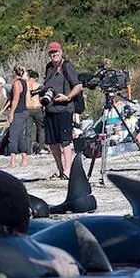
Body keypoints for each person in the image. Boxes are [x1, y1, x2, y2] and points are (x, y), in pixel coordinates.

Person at [42, 41, 83, 179]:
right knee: (52, 143)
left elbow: (78, 86)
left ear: (61, 51)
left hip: (64, 109)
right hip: (50, 109)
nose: (54, 54)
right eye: (52, 52)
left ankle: (68, 170)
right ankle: (60, 169)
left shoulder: (67, 66)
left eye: (56, 52)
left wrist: (67, 97)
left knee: (65, 141)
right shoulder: (48, 67)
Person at [7, 66, 30, 168]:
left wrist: (11, 113)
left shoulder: (16, 83)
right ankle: (24, 159)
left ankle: (12, 161)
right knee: (21, 136)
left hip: (18, 112)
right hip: (24, 110)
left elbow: (15, 99)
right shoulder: (24, 82)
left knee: (13, 135)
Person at [25, 70, 45, 153]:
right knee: (41, 129)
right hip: (37, 108)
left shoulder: (25, 85)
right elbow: (42, 98)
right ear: (36, 78)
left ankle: (28, 150)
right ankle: (41, 148)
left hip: (28, 108)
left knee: (28, 130)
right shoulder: (39, 86)